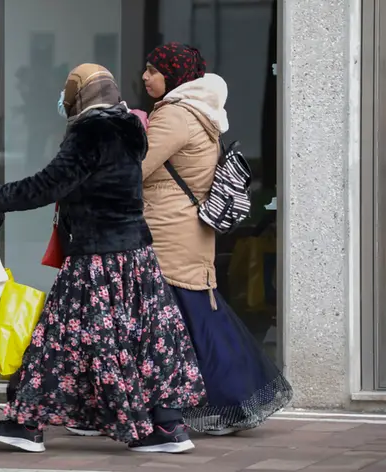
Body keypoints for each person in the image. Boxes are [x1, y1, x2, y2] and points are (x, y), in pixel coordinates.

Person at [0, 63, 206, 454]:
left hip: (96, 258)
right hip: (137, 256)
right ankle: (167, 426)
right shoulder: (130, 129)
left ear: (78, 96)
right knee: (147, 339)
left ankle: (26, 423)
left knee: (58, 339)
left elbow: (49, 184)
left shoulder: (90, 131)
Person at [69, 42, 292, 437]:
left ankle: (221, 401)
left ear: (174, 75)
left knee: (183, 321)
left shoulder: (174, 115)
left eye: (154, 70)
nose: (145, 77)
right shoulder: (198, 112)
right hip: (182, 230)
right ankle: (206, 403)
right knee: (190, 319)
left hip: (168, 232)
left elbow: (136, 169)